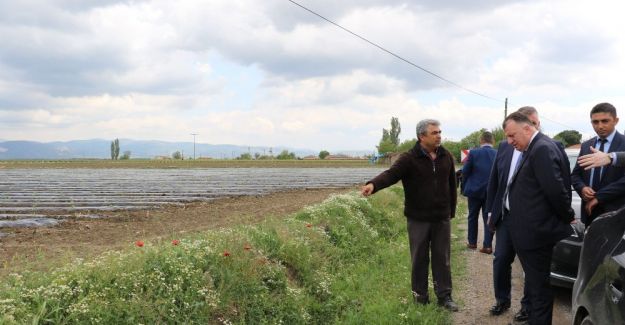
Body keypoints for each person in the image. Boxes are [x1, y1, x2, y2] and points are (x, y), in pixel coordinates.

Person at [361, 119, 459, 311]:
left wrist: (451, 212)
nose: (439, 135)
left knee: (442, 258)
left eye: (440, 132)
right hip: (418, 219)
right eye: (434, 133)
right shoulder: (409, 158)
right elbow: (391, 175)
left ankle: (445, 297)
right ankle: (420, 297)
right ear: (421, 136)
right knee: (419, 258)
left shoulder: (446, 155)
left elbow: (451, 186)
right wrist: (373, 184)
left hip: (441, 218)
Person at [503, 111, 574, 325]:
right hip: (531, 232)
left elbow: (555, 190)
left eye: (512, 135)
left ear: (527, 128)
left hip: (536, 234)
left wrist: (568, 216)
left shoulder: (542, 148)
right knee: (535, 288)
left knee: (539, 290)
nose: (509, 141)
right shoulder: (536, 147)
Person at [485, 106, 547, 322]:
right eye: (532, 123)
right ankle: (502, 300)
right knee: (500, 259)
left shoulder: (542, 148)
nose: (536, 127)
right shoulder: (504, 146)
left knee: (530, 266)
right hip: (506, 216)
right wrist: (491, 211)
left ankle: (527, 307)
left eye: (537, 123)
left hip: (530, 220)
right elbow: (495, 181)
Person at [571, 102, 625, 226]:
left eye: (605, 121)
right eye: (595, 122)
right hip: (590, 212)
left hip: (617, 214)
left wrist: (599, 197)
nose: (600, 126)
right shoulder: (586, 145)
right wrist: (582, 188)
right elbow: (576, 175)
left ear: (616, 120)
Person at [461, 131, 496, 253]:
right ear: (493, 141)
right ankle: (487, 246)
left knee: (472, 217)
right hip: (491, 192)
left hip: (474, 191)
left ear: (481, 141)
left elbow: (465, 171)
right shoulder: (498, 154)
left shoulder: (474, 153)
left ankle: (472, 243)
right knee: (488, 218)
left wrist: (464, 187)